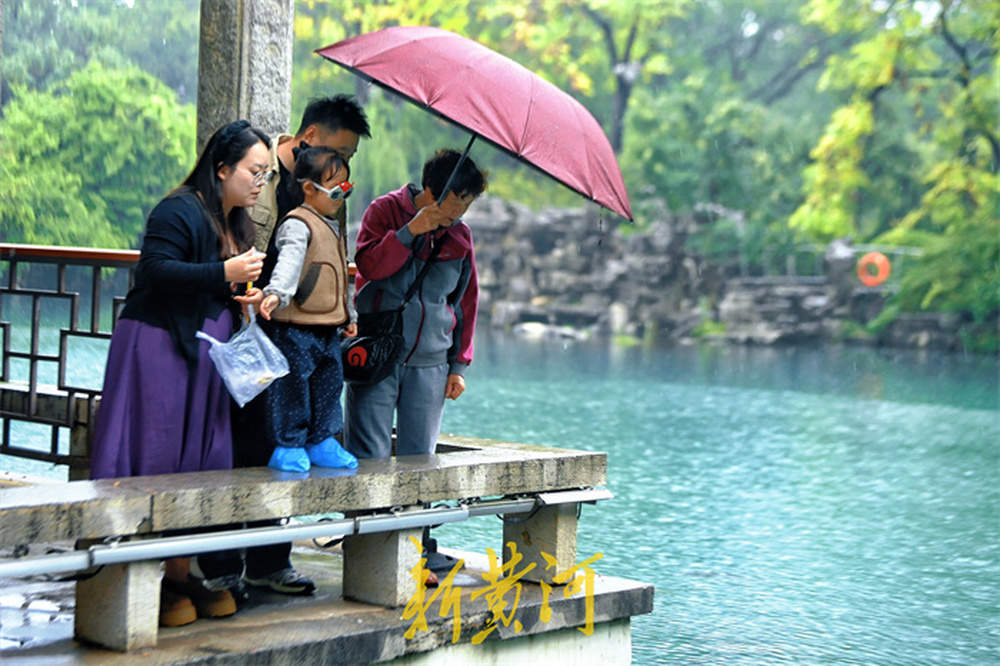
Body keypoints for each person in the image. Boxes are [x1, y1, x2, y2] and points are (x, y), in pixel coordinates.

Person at [89, 119, 271, 627]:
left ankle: (179, 572)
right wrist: (224, 274)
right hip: (158, 347)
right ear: (222, 168)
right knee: (156, 455)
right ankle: (137, 568)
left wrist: (243, 295)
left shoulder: (240, 222)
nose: (260, 183)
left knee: (201, 459)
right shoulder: (178, 209)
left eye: (266, 174)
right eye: (254, 171)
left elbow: (220, 287)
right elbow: (154, 270)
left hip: (207, 355)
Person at [232, 94, 370, 596]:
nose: (346, 170)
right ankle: (223, 565)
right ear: (310, 136)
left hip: (310, 331)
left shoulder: (334, 194)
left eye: (351, 161)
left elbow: (337, 258)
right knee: (247, 440)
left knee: (287, 438)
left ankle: (270, 562)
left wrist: (342, 316)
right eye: (341, 154)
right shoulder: (259, 171)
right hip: (252, 323)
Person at [344, 148, 486, 459]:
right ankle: (367, 512)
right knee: (368, 456)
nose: (461, 210)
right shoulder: (384, 211)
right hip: (377, 353)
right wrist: (409, 233)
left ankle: (412, 511)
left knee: (420, 460)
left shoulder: (460, 235)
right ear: (433, 190)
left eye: (468, 202)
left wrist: (458, 366)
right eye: (457, 199)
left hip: (431, 364)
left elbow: (465, 302)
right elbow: (370, 267)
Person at [251, 146, 359, 473]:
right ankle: (289, 443)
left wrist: (349, 316)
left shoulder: (335, 226)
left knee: (330, 384)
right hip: (295, 326)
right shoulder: (298, 223)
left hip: (328, 326)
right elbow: (289, 263)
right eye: (337, 189)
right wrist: (276, 294)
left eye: (347, 189)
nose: (342, 196)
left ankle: (322, 439)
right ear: (309, 188)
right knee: (293, 387)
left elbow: (342, 275)